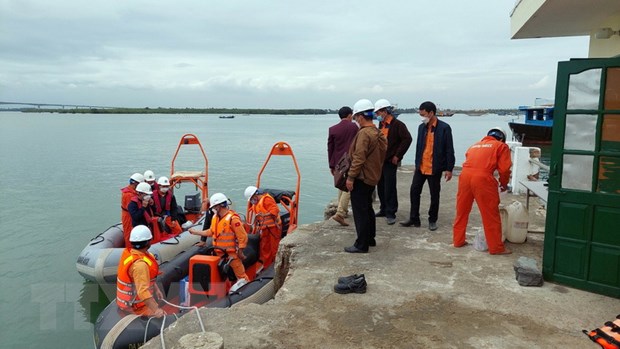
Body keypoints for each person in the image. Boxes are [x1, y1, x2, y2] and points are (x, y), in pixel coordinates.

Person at [452, 127, 512, 255]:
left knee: (461, 211)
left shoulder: (475, 145)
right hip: (483, 179)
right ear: (502, 138)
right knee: (491, 214)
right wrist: (504, 184)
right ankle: (496, 248)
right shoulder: (501, 146)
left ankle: (458, 241)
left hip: (464, 177)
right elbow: (504, 170)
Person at [400, 101, 455, 231]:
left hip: (434, 167)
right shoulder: (421, 127)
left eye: (423, 114)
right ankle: (414, 218)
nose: (422, 117)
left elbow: (449, 149)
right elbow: (419, 147)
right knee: (414, 191)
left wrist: (449, 168)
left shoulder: (444, 128)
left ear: (431, 113)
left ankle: (432, 220)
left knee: (434, 194)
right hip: (421, 166)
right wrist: (416, 164)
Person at [344, 99, 387, 253]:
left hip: (362, 178)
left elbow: (359, 157)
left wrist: (350, 177)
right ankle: (370, 238)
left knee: (360, 211)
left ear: (361, 117)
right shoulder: (377, 132)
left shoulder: (364, 134)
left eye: (356, 117)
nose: (355, 120)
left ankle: (361, 244)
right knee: (368, 209)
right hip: (373, 176)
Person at [189, 193, 249, 291]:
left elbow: (243, 237)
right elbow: (211, 232)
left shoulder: (233, 219)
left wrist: (240, 251)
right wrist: (196, 232)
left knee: (241, 276)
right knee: (225, 277)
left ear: (219, 206)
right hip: (219, 254)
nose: (212, 209)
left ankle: (244, 293)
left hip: (232, 255)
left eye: (213, 207)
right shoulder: (215, 218)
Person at [374, 99, 412, 225]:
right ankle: (383, 209)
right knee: (381, 185)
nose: (377, 115)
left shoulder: (398, 124)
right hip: (380, 160)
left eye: (379, 112)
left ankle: (391, 212)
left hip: (391, 160)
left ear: (385, 111)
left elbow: (407, 139)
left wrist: (398, 155)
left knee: (390, 186)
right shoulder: (382, 124)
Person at [116, 225, 166, 317]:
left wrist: (156, 289)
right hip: (135, 307)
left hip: (132, 300)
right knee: (164, 316)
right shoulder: (140, 265)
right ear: (148, 242)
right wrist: (156, 310)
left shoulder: (131, 254)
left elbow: (146, 279)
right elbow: (142, 292)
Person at [327, 106, 359, 226]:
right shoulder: (354, 127)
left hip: (337, 162)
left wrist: (331, 164)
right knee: (348, 186)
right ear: (350, 115)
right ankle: (340, 213)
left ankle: (343, 211)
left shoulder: (333, 129)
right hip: (350, 160)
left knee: (341, 184)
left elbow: (330, 148)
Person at [245, 185, 281, 269]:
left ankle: (275, 266)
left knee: (274, 248)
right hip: (264, 229)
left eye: (251, 199)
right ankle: (266, 266)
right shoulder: (256, 204)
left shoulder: (266, 199)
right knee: (265, 248)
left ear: (255, 195)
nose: (251, 201)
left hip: (273, 228)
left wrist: (264, 215)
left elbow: (275, 210)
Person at [121, 173, 144, 247]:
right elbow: (133, 209)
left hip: (130, 214)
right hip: (128, 216)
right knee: (129, 232)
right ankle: (129, 248)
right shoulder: (128, 195)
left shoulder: (131, 192)